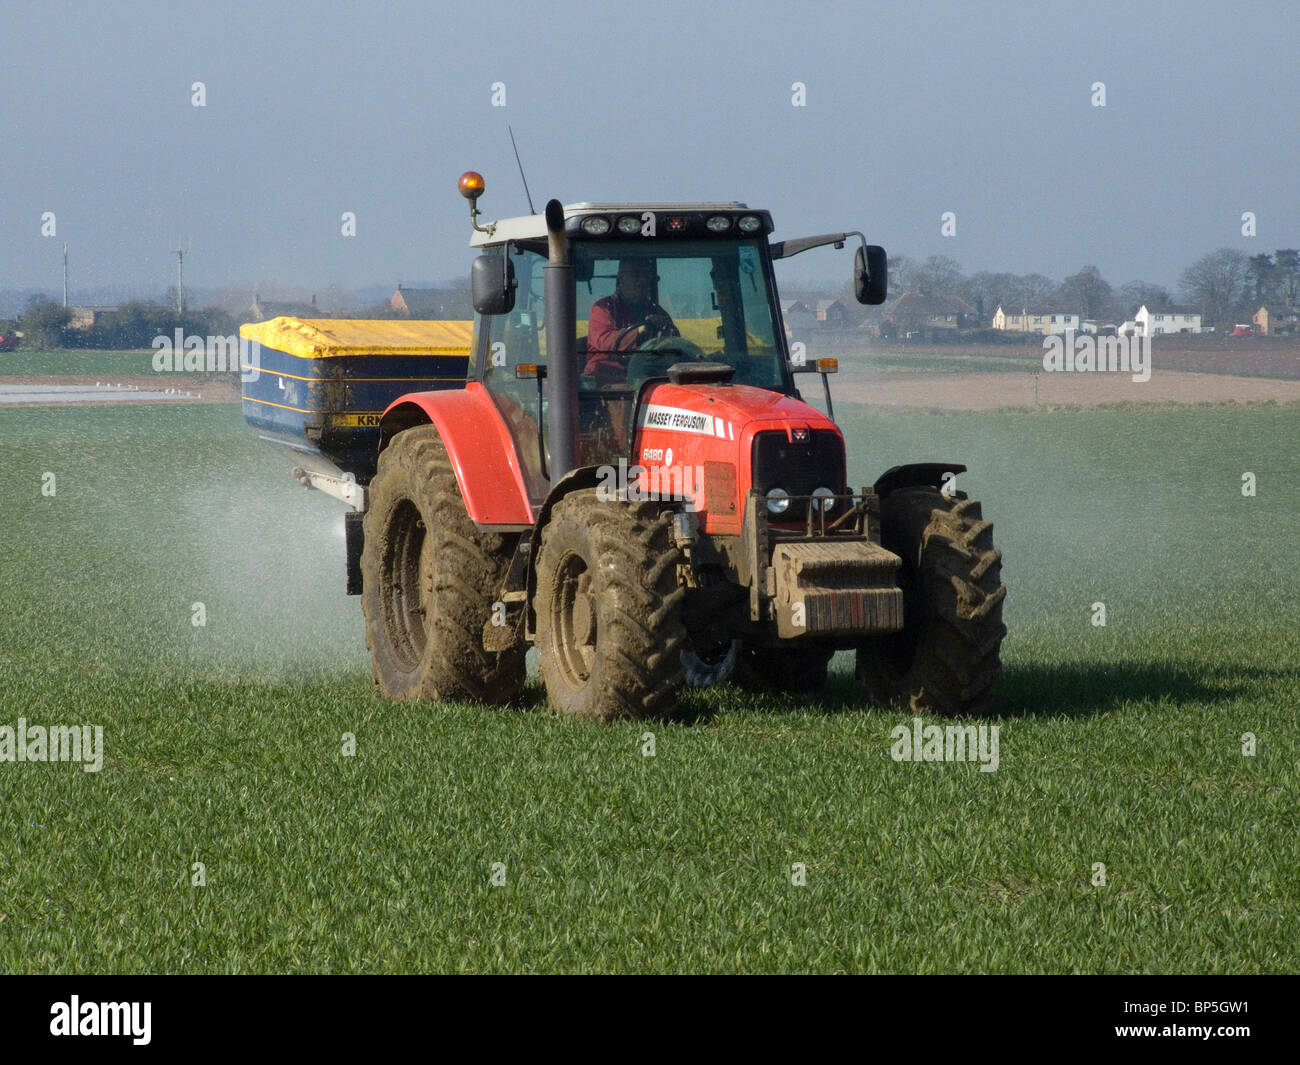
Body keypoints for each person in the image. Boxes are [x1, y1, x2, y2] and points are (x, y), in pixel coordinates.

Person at [584, 259, 677, 384]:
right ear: (621, 279)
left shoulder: (657, 312)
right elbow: (603, 341)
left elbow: (675, 345)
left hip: (647, 377)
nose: (642, 281)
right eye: (636, 275)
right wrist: (639, 331)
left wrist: (667, 333)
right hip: (608, 381)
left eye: (646, 275)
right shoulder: (603, 308)